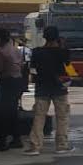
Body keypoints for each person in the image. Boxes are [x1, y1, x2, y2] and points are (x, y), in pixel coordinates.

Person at [24, 25, 73, 155]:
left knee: (39, 117)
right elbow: (67, 62)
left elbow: (33, 69)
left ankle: (35, 146)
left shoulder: (37, 52)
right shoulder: (62, 51)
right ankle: (61, 145)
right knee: (62, 117)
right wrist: (62, 45)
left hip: (42, 86)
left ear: (44, 37)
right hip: (59, 87)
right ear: (57, 37)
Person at [0, 28, 24, 151]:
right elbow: (21, 65)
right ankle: (16, 139)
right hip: (17, 81)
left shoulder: (1, 52)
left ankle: (2, 141)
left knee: (0, 112)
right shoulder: (16, 50)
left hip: (6, 82)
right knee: (12, 111)